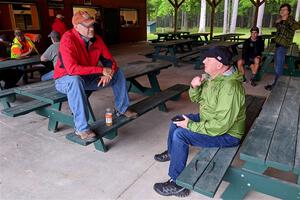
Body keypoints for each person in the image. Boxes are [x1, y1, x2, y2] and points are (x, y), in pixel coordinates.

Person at [153, 46, 246, 197]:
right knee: (176, 121)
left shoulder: (230, 88)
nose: (203, 61)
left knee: (180, 135)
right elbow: (196, 98)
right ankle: (172, 152)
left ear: (219, 64)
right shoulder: (212, 77)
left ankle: (178, 183)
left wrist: (190, 125)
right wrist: (194, 87)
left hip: (228, 134)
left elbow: (221, 126)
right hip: (210, 120)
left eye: (208, 59)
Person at [53, 11, 138, 142]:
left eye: (92, 25)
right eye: (87, 26)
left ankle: (123, 108)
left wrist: (109, 73)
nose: (91, 28)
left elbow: (110, 62)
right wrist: (101, 69)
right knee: (75, 80)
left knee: (118, 73)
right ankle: (81, 128)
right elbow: (72, 69)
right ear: (76, 27)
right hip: (65, 79)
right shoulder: (67, 38)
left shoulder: (97, 39)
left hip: (87, 77)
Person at [265, 3, 300, 91]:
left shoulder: (290, 20)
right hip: (278, 45)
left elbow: (297, 26)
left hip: (283, 47)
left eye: (284, 9)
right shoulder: (280, 20)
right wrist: (278, 21)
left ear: (288, 12)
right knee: (277, 65)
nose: (282, 11)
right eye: (281, 9)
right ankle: (276, 84)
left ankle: (276, 87)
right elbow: (275, 25)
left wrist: (287, 20)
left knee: (278, 68)